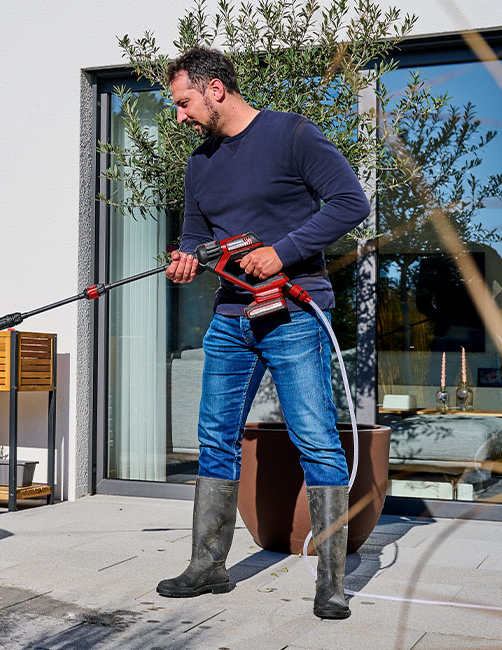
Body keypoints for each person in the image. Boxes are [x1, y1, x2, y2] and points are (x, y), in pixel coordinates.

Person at [155, 46, 370, 620]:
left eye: (183, 103)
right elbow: (197, 239)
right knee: (214, 437)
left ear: (215, 89)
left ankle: (331, 582)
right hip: (231, 319)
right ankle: (208, 566)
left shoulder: (293, 135)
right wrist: (184, 260)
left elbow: (352, 202)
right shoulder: (199, 163)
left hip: (296, 313)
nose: (179, 116)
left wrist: (284, 253)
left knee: (316, 440)